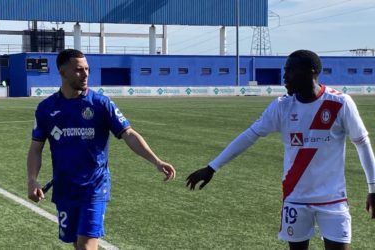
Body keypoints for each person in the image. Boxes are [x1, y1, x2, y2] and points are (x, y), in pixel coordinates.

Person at [186, 50, 375, 250]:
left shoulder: (340, 103)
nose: (284, 77)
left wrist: (373, 188)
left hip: (333, 200)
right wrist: (212, 167)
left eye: (290, 71)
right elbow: (249, 135)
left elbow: (362, 143)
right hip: (295, 198)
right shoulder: (281, 106)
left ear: (310, 72)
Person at [27, 49, 176, 250]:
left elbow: (129, 134)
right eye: (79, 70)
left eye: (87, 69)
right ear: (63, 72)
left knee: (87, 245)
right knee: (77, 245)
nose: (86, 74)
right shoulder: (46, 108)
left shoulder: (101, 104)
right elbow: (36, 148)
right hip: (65, 188)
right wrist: (32, 179)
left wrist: (156, 161)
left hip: (95, 186)